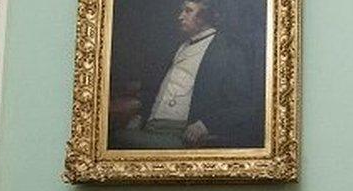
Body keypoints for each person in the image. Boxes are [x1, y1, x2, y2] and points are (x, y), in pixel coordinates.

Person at [110, 0, 263, 149]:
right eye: (182, 10)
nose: (180, 16)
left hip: (180, 134)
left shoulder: (228, 50)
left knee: (116, 139)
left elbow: (242, 105)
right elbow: (160, 88)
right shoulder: (179, 46)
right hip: (150, 126)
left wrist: (206, 125)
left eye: (188, 10)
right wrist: (141, 116)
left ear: (206, 15)